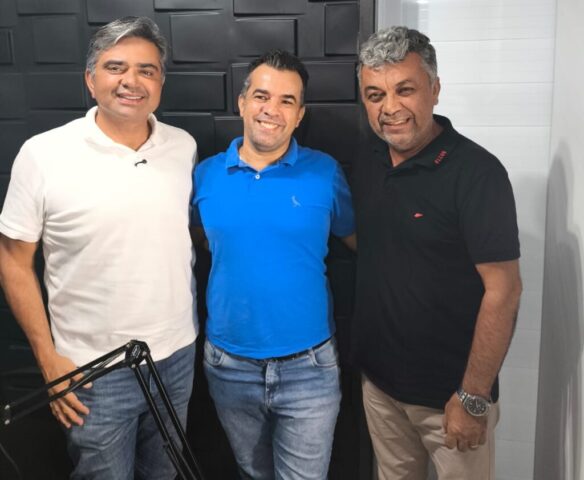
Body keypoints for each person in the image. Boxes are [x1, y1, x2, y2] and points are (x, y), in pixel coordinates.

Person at [0, 16, 197, 480]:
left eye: (147, 70)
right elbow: (13, 262)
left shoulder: (183, 147)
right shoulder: (43, 154)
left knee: (165, 474)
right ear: (91, 80)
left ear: (161, 82)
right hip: (90, 371)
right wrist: (48, 360)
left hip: (177, 356)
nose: (132, 81)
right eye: (115, 67)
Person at [351, 26, 523, 480]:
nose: (390, 107)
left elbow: (504, 291)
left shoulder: (478, 174)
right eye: (375, 95)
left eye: (404, 90)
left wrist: (473, 397)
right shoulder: (368, 159)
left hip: (452, 399)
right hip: (381, 390)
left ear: (435, 89)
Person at [191, 49, 355, 480]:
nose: (272, 110)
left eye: (287, 100)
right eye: (262, 96)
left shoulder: (325, 173)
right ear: (242, 102)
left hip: (310, 369)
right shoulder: (205, 175)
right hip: (228, 366)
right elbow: (196, 239)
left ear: (300, 115)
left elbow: (361, 244)